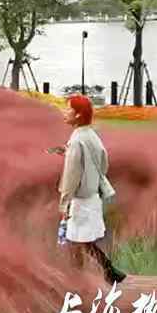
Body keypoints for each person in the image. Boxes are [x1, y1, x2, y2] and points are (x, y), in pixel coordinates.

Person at [56, 94, 126, 285]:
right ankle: (108, 272)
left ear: (78, 115)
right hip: (92, 197)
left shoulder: (77, 140)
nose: (64, 112)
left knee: (75, 241)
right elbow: (103, 163)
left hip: (79, 200)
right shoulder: (91, 135)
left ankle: (78, 280)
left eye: (68, 109)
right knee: (82, 241)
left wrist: (64, 203)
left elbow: (71, 177)